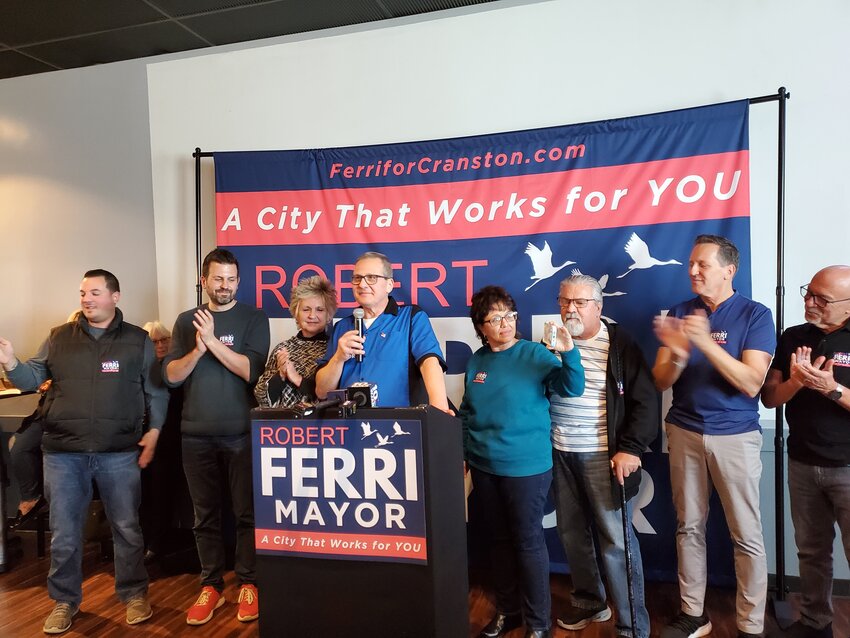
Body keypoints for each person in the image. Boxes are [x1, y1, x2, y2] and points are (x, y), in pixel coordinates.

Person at [0, 269, 166, 634]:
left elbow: (156, 393)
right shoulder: (58, 337)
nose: (86, 299)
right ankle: (64, 602)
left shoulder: (137, 340)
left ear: (114, 297)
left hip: (119, 452)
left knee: (126, 528)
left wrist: (153, 432)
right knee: (64, 532)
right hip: (63, 454)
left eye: (94, 293)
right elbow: (30, 379)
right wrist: (11, 361)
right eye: (82, 293)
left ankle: (134, 594)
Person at [652, 235, 775, 638]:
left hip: (735, 437)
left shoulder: (755, 315)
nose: (692, 271)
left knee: (746, 535)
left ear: (728, 270)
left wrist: (704, 341)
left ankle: (751, 625)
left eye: (702, 264)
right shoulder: (680, 311)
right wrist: (677, 352)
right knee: (688, 527)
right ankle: (693, 614)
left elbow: (752, 383)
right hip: (685, 430)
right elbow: (660, 380)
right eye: (690, 264)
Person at [460, 285, 585, 638]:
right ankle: (508, 612)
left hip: (526, 467)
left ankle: (539, 624)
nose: (505, 323)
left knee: (528, 542)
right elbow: (468, 413)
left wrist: (569, 354)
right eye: (495, 318)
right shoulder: (477, 361)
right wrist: (464, 453)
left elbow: (572, 388)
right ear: (480, 326)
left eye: (510, 315)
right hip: (484, 466)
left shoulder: (535, 354)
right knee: (497, 541)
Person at [163, 248, 270, 626]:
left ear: (238, 282)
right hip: (195, 435)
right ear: (204, 280)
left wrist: (214, 340)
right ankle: (210, 585)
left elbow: (250, 371)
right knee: (204, 516)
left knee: (246, 513)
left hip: (240, 433)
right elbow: (172, 376)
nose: (224, 286)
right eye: (217, 278)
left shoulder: (254, 317)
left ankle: (249, 583)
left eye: (230, 279)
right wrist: (198, 346)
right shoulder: (184, 321)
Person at [550, 274, 658, 638]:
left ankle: (632, 627)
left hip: (603, 455)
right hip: (559, 451)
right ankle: (589, 603)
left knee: (616, 540)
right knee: (571, 534)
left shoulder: (620, 343)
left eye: (580, 302)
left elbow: (645, 401)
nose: (571, 309)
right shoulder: (551, 341)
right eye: (565, 301)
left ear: (599, 306)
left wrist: (630, 448)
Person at [761, 265, 850, 638]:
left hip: (847, 466)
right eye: (807, 292)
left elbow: (835, 392)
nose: (809, 302)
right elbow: (769, 398)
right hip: (801, 461)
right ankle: (816, 624)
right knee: (811, 552)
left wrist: (833, 389)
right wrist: (797, 382)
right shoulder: (793, 336)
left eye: (822, 299)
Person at [315, 251, 450, 410]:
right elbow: (321, 392)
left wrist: (439, 410)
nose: (362, 284)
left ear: (389, 285)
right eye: (357, 278)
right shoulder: (342, 327)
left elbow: (430, 363)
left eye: (371, 277)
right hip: (350, 425)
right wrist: (338, 358)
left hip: (399, 424)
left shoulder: (411, 317)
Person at [139, 320, 190, 563]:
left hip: (174, 440)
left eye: (164, 340)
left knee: (165, 492)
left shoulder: (177, 370)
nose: (160, 345)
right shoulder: (141, 370)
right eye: (154, 341)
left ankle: (159, 541)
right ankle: (149, 541)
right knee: (146, 493)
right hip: (145, 440)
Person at [254, 276, 336, 407]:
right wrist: (280, 375)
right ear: (296, 313)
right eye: (306, 309)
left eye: (319, 310)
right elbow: (261, 398)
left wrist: (297, 378)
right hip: (282, 426)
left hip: (321, 426)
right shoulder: (283, 348)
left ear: (329, 315)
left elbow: (334, 396)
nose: (312, 316)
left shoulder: (334, 350)